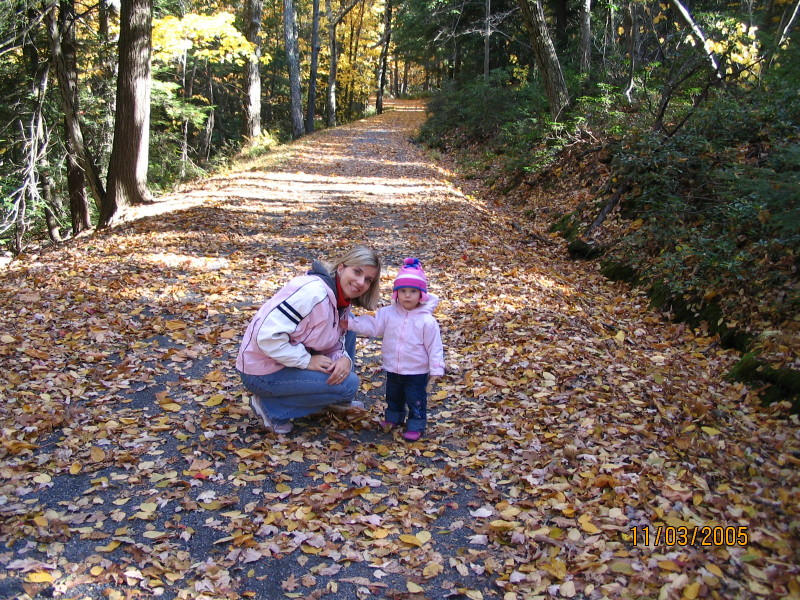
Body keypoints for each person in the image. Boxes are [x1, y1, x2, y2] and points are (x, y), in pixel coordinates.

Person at [236, 245, 381, 434]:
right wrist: (307, 361)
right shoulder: (314, 294)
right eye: (357, 272)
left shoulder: (340, 300)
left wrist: (343, 358)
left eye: (368, 280)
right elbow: (267, 338)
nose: (360, 282)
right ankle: (272, 407)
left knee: (350, 326)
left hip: (287, 358)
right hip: (261, 371)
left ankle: (334, 399)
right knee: (348, 385)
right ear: (341, 267)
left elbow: (334, 337)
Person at [347, 257, 444, 441]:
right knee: (393, 396)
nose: (407, 295)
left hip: (416, 370)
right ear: (396, 293)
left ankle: (416, 423)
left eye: (413, 291)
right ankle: (394, 417)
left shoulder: (426, 321)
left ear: (421, 295)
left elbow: (434, 346)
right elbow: (373, 326)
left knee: (415, 399)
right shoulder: (388, 314)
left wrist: (436, 367)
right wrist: (352, 323)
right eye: (403, 291)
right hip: (393, 367)